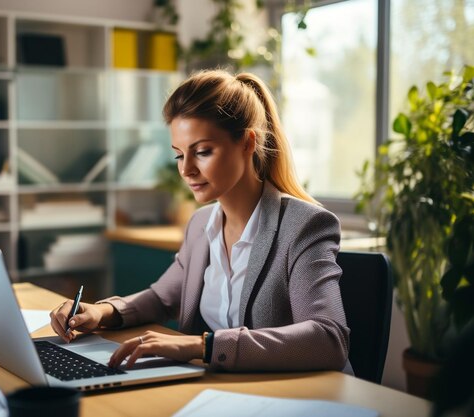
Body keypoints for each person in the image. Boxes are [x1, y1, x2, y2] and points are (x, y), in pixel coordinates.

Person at [51, 69, 351, 373]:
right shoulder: (201, 224)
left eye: (203, 152)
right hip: (225, 389)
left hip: (297, 398)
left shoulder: (304, 226)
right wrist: (101, 312)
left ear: (248, 143)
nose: (187, 170)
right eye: (179, 155)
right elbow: (161, 297)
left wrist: (202, 346)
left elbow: (328, 338)